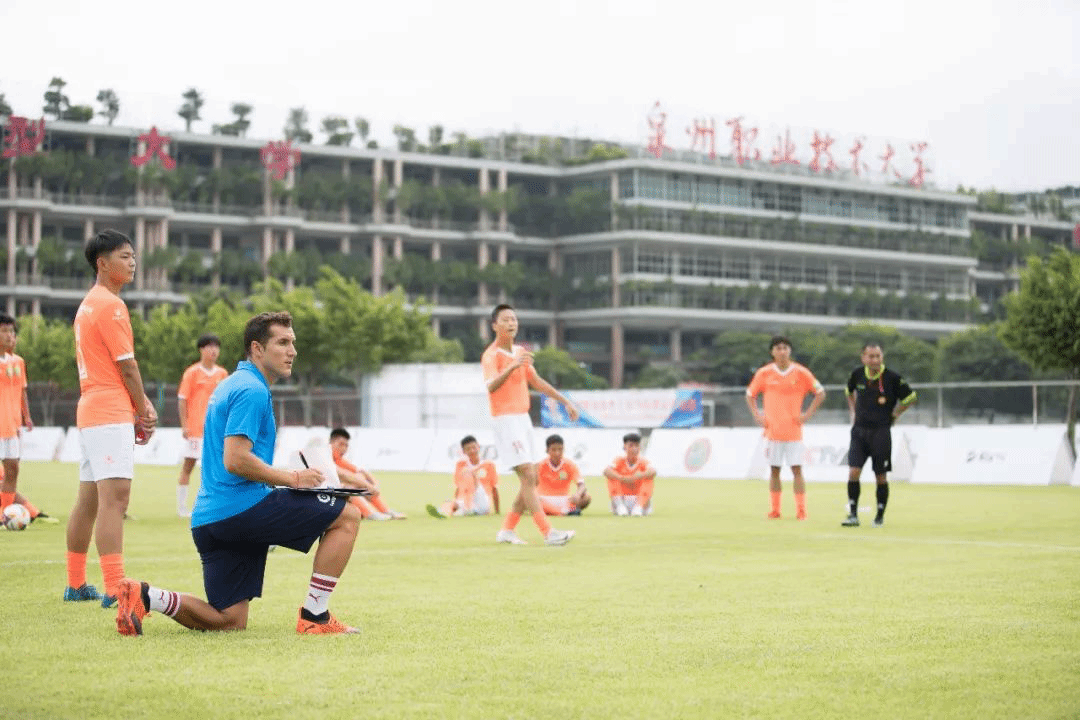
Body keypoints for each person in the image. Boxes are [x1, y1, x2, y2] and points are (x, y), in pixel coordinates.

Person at [115, 311, 363, 636]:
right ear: (257, 349)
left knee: (230, 620)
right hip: (241, 511)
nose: (292, 351)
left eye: (293, 343)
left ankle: (147, 596)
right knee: (348, 515)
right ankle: (315, 615)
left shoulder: (231, 383)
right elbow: (235, 460)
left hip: (209, 521)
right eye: (283, 343)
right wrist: (293, 479)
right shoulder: (252, 390)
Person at [63, 230, 158, 607]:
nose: (132, 262)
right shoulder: (111, 305)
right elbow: (127, 366)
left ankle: (76, 584)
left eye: (133, 256)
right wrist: (143, 409)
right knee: (115, 501)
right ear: (102, 264)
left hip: (91, 408)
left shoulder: (89, 303)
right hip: (108, 411)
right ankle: (116, 587)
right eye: (124, 256)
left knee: (88, 501)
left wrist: (136, 405)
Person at [483, 304, 579, 546]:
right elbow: (491, 386)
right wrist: (512, 366)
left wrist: (565, 401)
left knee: (532, 479)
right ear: (495, 326)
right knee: (527, 474)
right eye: (506, 320)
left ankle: (507, 530)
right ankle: (548, 533)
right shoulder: (491, 355)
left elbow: (536, 381)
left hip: (523, 419)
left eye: (514, 319)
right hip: (505, 420)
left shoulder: (519, 352)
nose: (511, 323)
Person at [745, 335, 826, 520]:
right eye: (778, 348)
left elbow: (820, 393)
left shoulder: (801, 372)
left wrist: (807, 415)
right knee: (774, 470)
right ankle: (775, 510)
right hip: (773, 431)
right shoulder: (764, 373)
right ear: (772, 352)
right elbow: (750, 394)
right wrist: (757, 415)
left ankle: (801, 510)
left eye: (785, 348)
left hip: (794, 432)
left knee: (797, 470)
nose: (782, 352)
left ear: (790, 351)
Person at [842, 343, 916, 528]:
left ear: (882, 357)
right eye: (871, 356)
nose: (875, 360)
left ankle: (879, 517)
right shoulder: (857, 374)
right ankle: (853, 515)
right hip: (859, 432)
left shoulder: (892, 378)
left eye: (878, 356)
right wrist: (853, 411)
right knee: (853, 472)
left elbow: (910, 398)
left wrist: (895, 414)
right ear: (863, 358)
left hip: (881, 433)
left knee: (880, 476)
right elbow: (849, 392)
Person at [0, 313, 58, 524]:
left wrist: (27, 416)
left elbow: (22, 391)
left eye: (11, 331)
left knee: (12, 470)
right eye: (4, 331)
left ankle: (5, 515)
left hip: (11, 425)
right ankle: (31, 512)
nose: (10, 335)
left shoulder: (18, 362)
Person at [175, 334, 229, 517]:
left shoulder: (222, 374)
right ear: (201, 350)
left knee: (216, 469)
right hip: (196, 429)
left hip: (216, 430)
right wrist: (185, 425)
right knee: (188, 466)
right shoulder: (192, 373)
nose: (214, 350)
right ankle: (182, 507)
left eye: (216, 347)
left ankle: (213, 505)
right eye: (209, 346)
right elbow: (182, 399)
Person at [329, 427, 405, 520]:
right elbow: (344, 475)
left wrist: (374, 484)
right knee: (348, 486)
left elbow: (361, 471)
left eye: (346, 446)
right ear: (331, 443)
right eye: (341, 444)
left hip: (331, 496)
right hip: (322, 497)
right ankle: (369, 514)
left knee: (358, 480)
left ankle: (385, 511)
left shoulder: (338, 460)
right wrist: (368, 486)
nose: (344, 448)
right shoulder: (326, 458)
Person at [426, 434, 500, 518]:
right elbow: (459, 486)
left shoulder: (488, 465)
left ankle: (463, 510)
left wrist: (497, 511)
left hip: (482, 501)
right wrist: (456, 501)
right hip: (467, 498)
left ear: (478, 447)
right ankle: (443, 512)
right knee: (453, 503)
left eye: (474, 448)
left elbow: (494, 488)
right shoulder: (460, 465)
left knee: (473, 478)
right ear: (464, 451)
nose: (472, 451)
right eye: (468, 449)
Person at [603, 432, 656, 516]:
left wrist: (640, 475)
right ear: (625, 447)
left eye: (636, 446)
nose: (634, 449)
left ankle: (639, 507)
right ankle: (620, 507)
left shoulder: (643, 461)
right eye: (631, 446)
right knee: (612, 476)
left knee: (648, 477)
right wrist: (621, 477)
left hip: (639, 499)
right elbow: (606, 471)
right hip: (622, 499)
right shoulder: (619, 460)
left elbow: (653, 472)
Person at [536, 434, 590, 516]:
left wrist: (577, 494)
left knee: (586, 497)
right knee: (529, 499)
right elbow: (530, 486)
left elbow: (582, 485)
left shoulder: (569, 464)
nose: (557, 453)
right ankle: (564, 512)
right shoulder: (540, 465)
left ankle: (553, 511)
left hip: (564, 499)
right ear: (547, 450)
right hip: (544, 499)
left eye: (560, 449)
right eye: (553, 450)